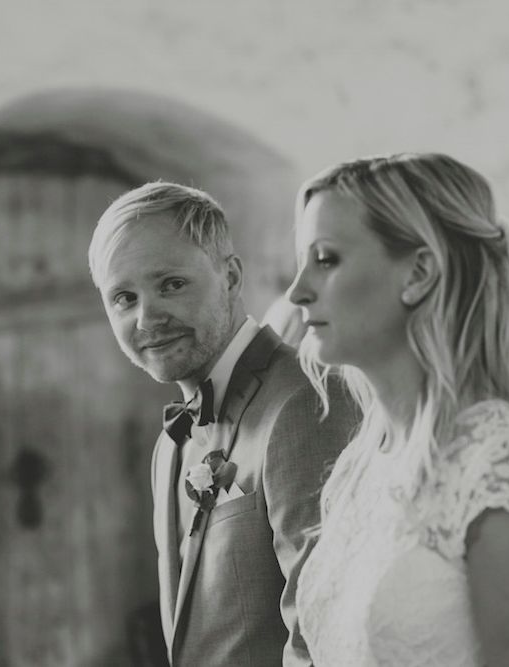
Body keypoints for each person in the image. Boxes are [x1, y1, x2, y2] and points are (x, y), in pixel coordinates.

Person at [287, 153, 509, 666]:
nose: (297, 290)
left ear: (418, 272)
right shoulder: (360, 463)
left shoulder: (500, 462)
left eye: (325, 258)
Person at [88, 182, 358, 666]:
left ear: (231, 276)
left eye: (171, 283)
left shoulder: (306, 401)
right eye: (124, 298)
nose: (147, 319)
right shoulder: (169, 446)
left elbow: (325, 634)